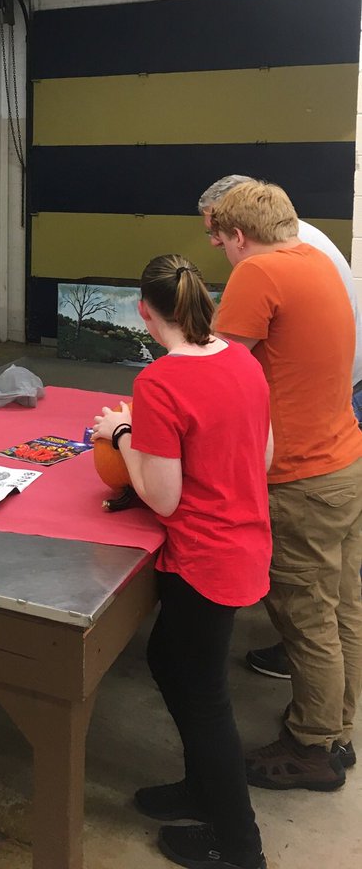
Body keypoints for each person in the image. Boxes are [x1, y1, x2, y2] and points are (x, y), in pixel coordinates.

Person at [93, 254, 271, 869]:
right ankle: (202, 789)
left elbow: (162, 496)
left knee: (205, 698)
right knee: (169, 659)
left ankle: (240, 847)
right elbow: (264, 454)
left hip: (205, 559)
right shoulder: (243, 361)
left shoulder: (159, 383)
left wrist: (123, 433)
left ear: (144, 311)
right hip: (244, 544)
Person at [211, 181, 362, 790]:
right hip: (344, 462)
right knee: (343, 605)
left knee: (304, 615)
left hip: (299, 478)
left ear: (239, 235)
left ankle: (311, 749)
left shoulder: (259, 271)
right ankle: (336, 723)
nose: (219, 248)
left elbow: (220, 369)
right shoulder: (319, 262)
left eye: (218, 238)